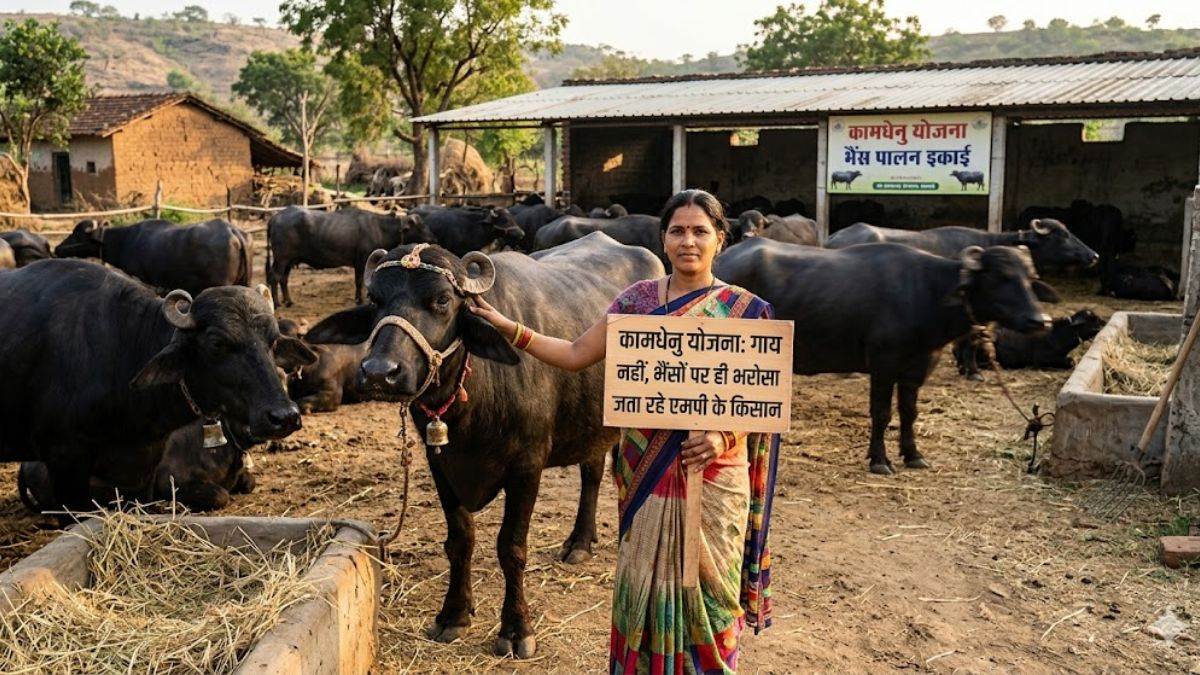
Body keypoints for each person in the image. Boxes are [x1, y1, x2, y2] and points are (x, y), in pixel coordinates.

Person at [470, 189, 780, 673]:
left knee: (712, 593)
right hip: (646, 474)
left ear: (721, 239)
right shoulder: (636, 303)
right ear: (662, 239)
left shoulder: (747, 313)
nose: (688, 241)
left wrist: (721, 436)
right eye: (677, 231)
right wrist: (510, 328)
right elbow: (574, 355)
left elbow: (758, 399)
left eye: (700, 231)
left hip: (717, 476)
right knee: (645, 590)